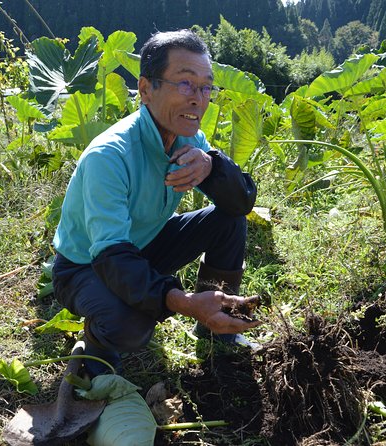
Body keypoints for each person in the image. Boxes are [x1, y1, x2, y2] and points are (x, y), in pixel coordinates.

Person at [51, 29, 261, 376]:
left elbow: (240, 203)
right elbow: (111, 257)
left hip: (145, 244)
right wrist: (184, 301)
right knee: (130, 326)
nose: (198, 98)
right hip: (85, 266)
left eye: (206, 86)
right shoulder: (111, 155)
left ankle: (216, 329)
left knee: (229, 219)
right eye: (185, 83)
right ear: (146, 90)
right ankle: (95, 350)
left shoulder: (188, 136)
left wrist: (212, 166)